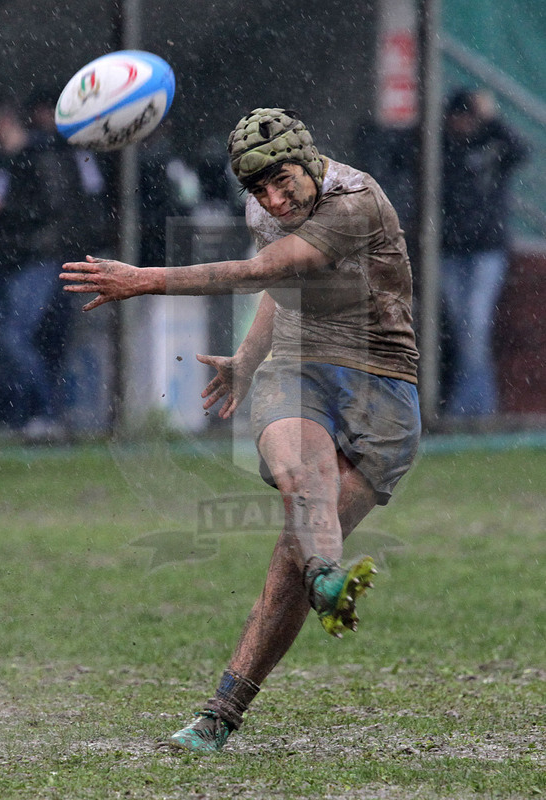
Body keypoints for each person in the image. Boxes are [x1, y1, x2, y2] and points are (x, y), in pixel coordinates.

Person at [61, 107, 421, 752]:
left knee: (292, 552)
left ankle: (236, 695)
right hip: (300, 364)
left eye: (283, 182)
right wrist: (246, 362)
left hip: (382, 384)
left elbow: (260, 270)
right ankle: (321, 588)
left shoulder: (355, 200)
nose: (274, 200)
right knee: (297, 476)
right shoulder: (269, 210)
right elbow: (280, 288)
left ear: (309, 163)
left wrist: (147, 280)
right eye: (258, 190)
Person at [0, 90, 110, 440]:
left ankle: (41, 413)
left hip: (33, 259)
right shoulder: (3, 159)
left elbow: (54, 210)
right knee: (5, 338)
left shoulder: (40, 156)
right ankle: (20, 416)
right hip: (5, 259)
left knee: (16, 336)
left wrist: (5, 212)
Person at [440, 88, 529, 417]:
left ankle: (470, 407)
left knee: (473, 325)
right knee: (462, 327)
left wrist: (493, 119)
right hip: (450, 250)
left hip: (486, 250)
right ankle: (478, 406)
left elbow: (522, 151)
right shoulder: (442, 148)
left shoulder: (491, 145)